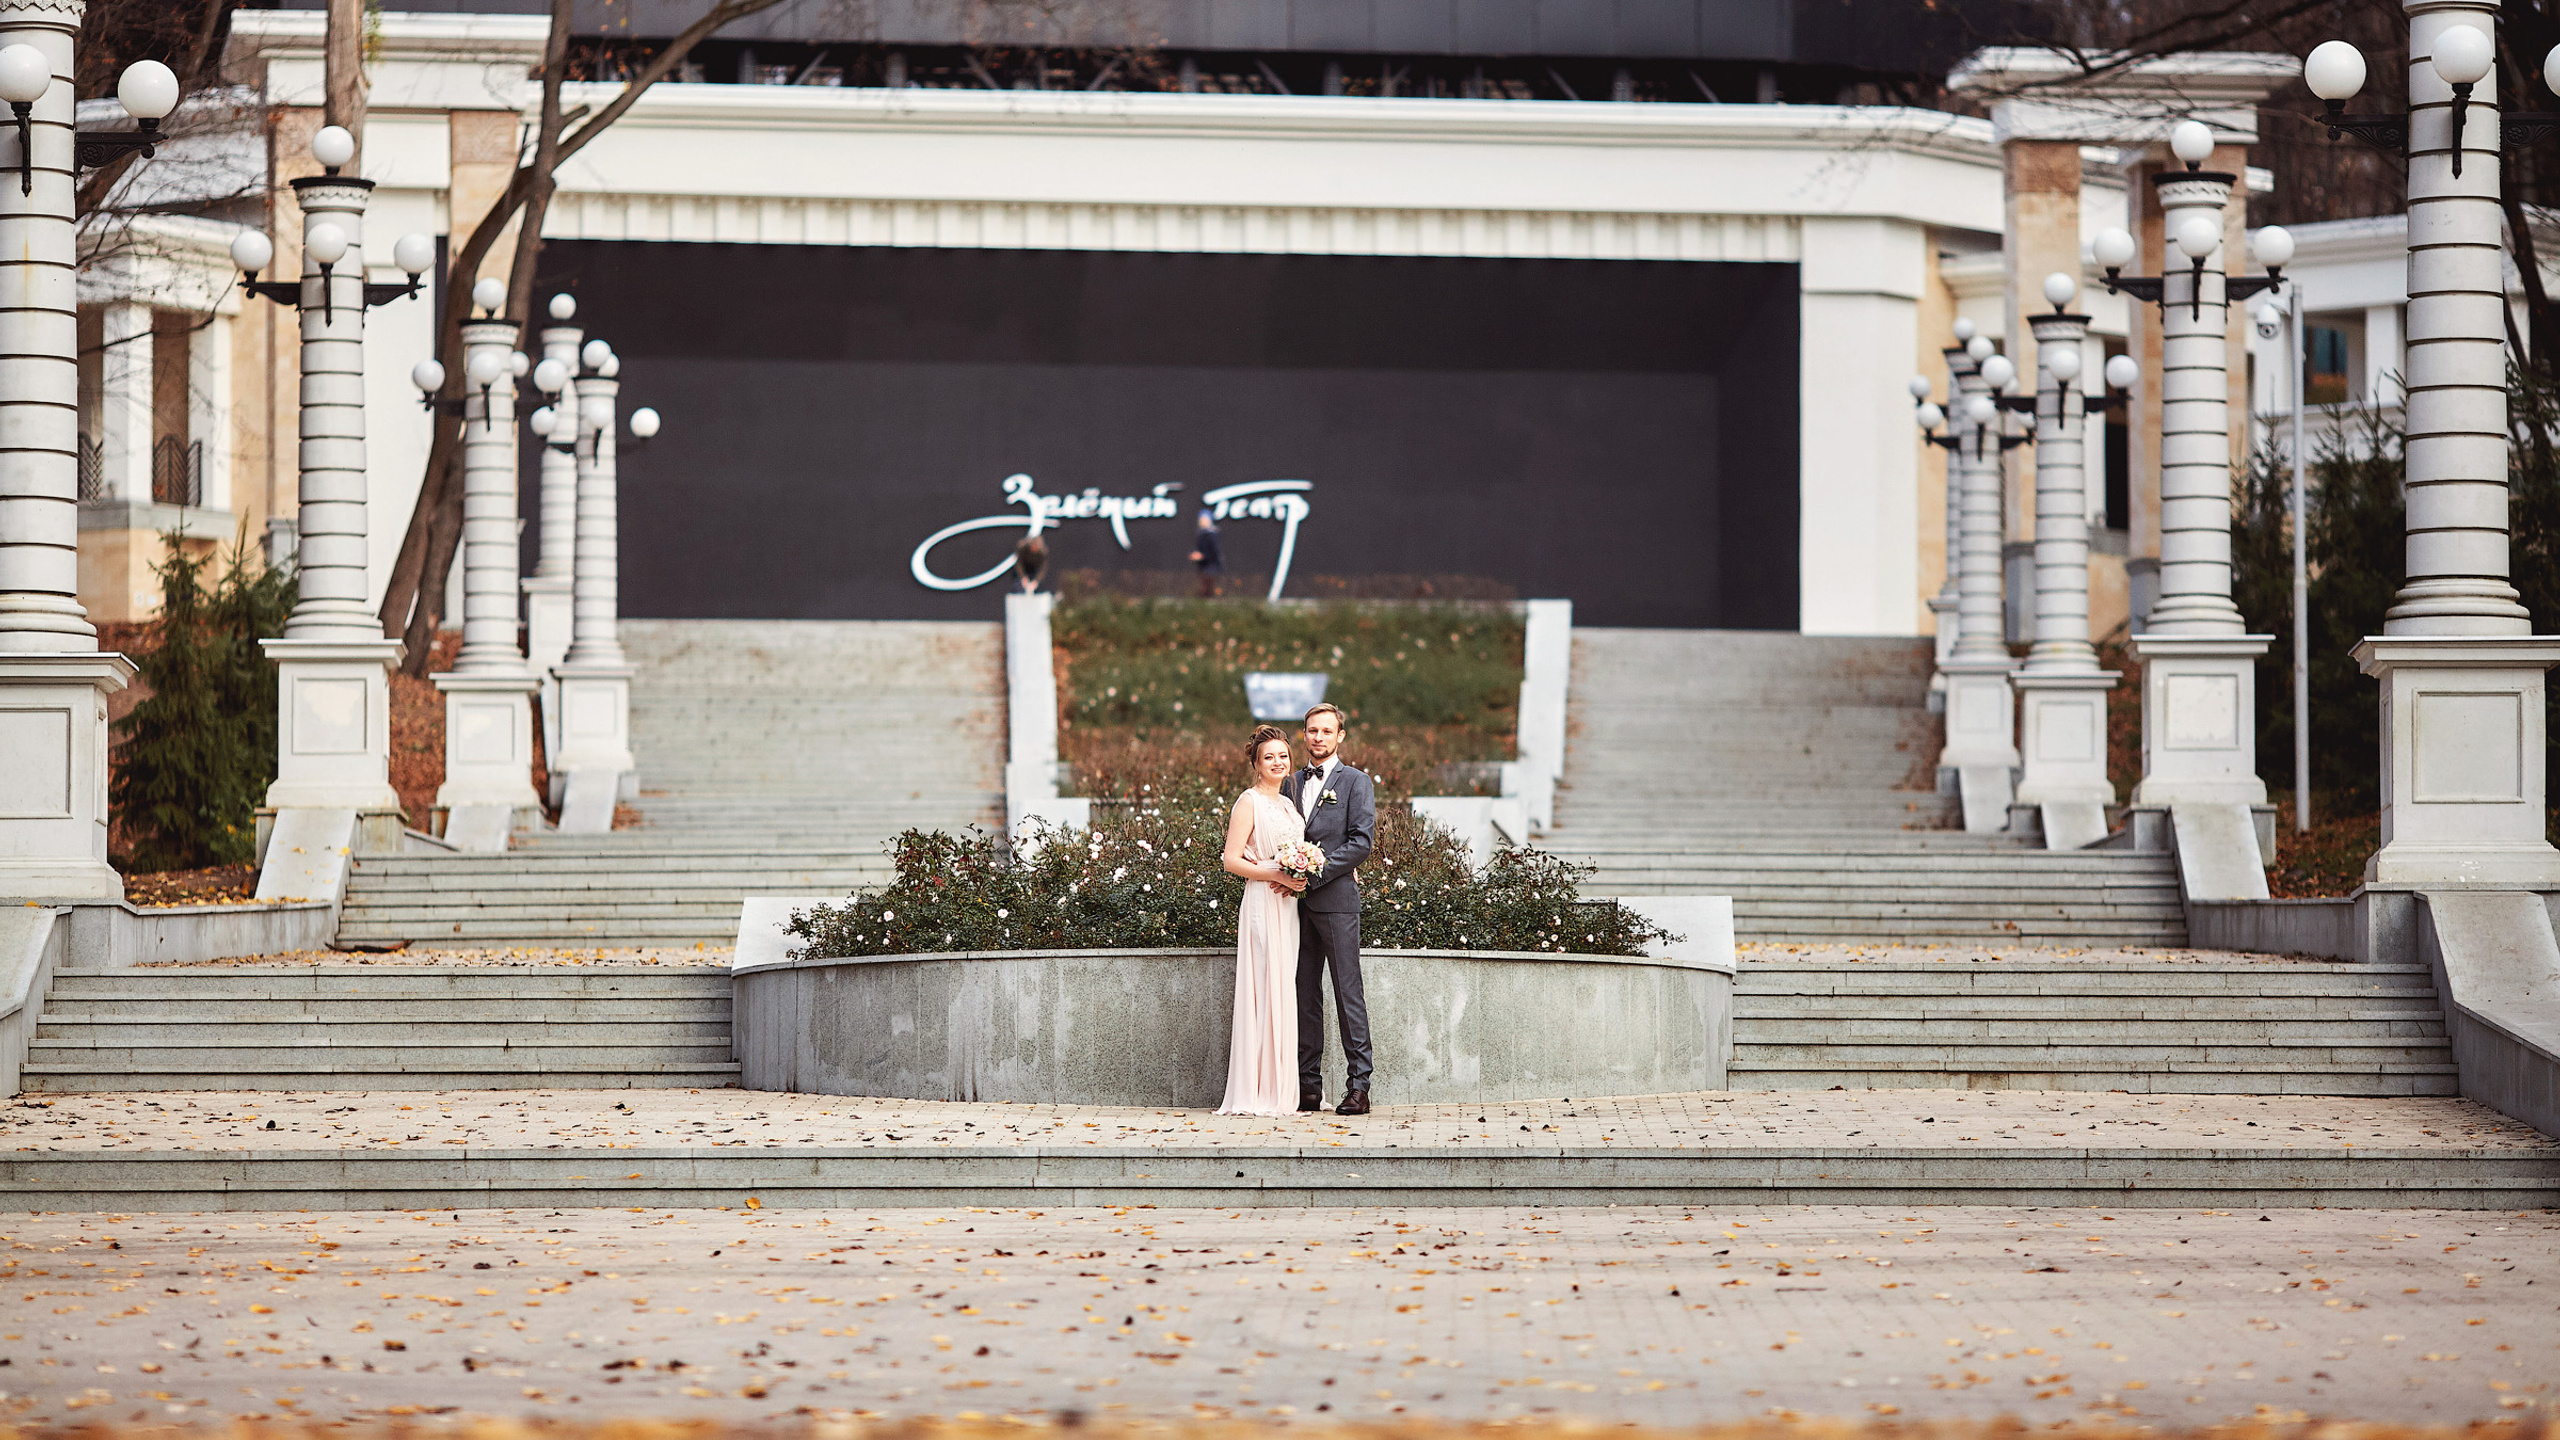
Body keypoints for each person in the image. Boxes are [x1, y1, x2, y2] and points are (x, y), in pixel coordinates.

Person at [1282, 702, 1376, 1115]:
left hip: (1336, 902)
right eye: (1311, 730)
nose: (1317, 737)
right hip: (1289, 904)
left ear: (1340, 736)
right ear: (1303, 735)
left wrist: (1315, 871)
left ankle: (1359, 1086)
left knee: (1347, 992)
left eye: (1326, 731)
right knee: (1303, 994)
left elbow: (1361, 841)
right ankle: (1308, 1086)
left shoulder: (1356, 782)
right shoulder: (1288, 784)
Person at [1218, 724, 1307, 1116]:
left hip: (1287, 906)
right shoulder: (1248, 802)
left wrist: (1301, 874)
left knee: (1283, 987)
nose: (1277, 762)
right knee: (1264, 986)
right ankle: (1257, 1089)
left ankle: (1282, 1087)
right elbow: (1231, 859)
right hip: (1262, 901)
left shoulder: (1289, 806)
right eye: (1268, 756)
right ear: (1256, 763)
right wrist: (1276, 874)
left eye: (1283, 756)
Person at [1187, 510, 1222, 597]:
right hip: (1203, 567)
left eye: (1204, 519)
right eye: (1201, 519)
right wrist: (1195, 554)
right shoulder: (1201, 534)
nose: (1201, 521)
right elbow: (1200, 549)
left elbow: (1214, 551)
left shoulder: (1212, 534)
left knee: (1207, 590)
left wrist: (1203, 556)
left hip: (1211, 567)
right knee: (1203, 588)